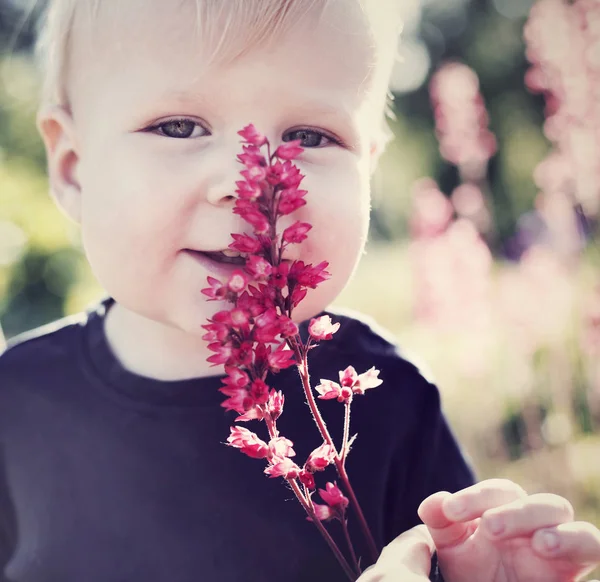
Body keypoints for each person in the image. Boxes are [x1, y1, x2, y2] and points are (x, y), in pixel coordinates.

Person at [0, 0, 598, 581]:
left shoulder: (385, 399)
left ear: (369, 166)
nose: (248, 183)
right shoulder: (16, 402)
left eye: (310, 136)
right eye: (179, 127)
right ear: (74, 167)